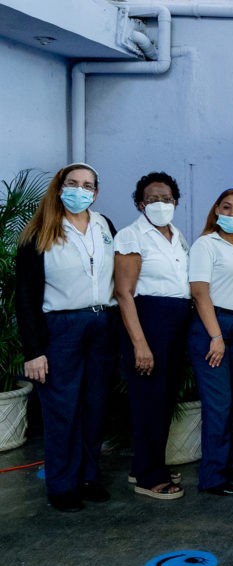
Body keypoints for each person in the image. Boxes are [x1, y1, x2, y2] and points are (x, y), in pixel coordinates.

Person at [15, 162, 117, 513]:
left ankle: (88, 476)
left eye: (87, 185)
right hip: (60, 327)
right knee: (62, 409)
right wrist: (33, 351)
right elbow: (25, 295)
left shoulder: (104, 225)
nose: (80, 190)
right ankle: (62, 485)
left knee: (95, 405)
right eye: (73, 183)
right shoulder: (39, 231)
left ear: (96, 192)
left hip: (101, 323)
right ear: (60, 187)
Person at [114, 170, 189, 501]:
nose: (161, 203)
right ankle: (149, 477)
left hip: (176, 320)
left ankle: (146, 464)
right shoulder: (132, 236)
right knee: (149, 399)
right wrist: (140, 343)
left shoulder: (177, 235)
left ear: (175, 202)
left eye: (166, 198)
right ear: (140, 204)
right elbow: (124, 293)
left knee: (165, 397)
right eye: (153, 199)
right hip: (149, 320)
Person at [187, 188, 233, 496]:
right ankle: (212, 477)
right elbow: (199, 292)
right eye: (227, 207)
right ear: (216, 209)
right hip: (214, 326)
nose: (232, 213)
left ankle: (226, 464)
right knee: (218, 403)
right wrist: (215, 336)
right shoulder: (206, 244)